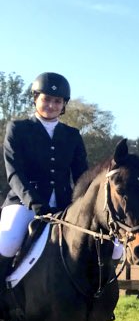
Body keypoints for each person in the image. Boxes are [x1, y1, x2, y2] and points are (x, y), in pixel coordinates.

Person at [1, 72, 89, 282]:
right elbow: (14, 173)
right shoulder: (18, 129)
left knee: (106, 245)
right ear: (35, 98)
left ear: (64, 104)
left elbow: (82, 176)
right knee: (8, 241)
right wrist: (35, 203)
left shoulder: (72, 135)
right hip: (24, 203)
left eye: (57, 101)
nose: (51, 105)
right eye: (46, 99)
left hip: (64, 205)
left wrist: (82, 204)